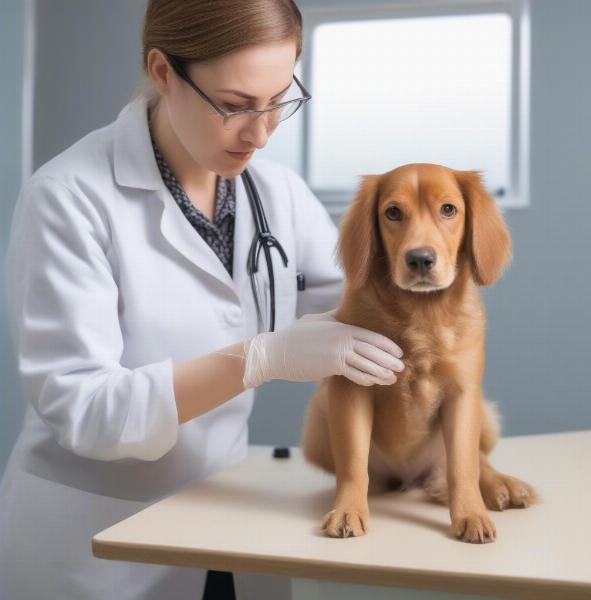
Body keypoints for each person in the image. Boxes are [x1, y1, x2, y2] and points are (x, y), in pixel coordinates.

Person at [0, 1, 405, 599]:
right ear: (163, 72)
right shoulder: (68, 197)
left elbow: (359, 308)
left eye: (278, 101)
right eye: (236, 105)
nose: (261, 133)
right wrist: (259, 358)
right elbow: (88, 411)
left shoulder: (278, 194)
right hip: (99, 545)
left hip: (226, 518)